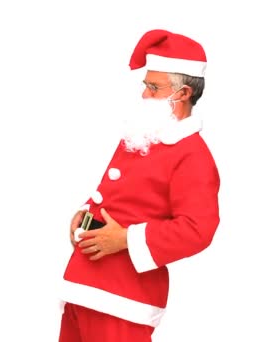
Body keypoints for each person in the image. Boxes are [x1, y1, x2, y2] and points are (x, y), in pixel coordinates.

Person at [57, 29, 220, 342]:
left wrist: (126, 240)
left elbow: (198, 228)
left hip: (124, 294)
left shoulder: (193, 155)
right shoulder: (145, 134)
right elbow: (124, 197)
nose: (145, 94)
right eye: (146, 85)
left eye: (153, 87)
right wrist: (86, 213)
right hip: (84, 282)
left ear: (183, 93)